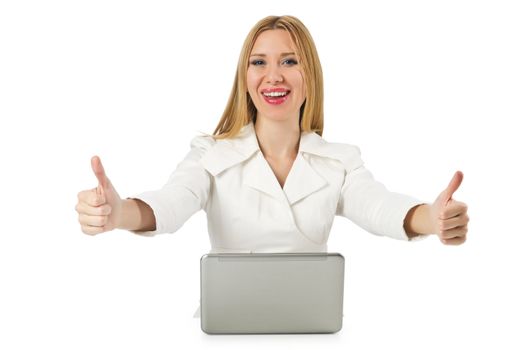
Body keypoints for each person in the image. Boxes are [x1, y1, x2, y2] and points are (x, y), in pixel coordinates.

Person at [75, 15, 469, 251]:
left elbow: (379, 208)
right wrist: (119, 212)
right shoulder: (209, 154)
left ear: (308, 77)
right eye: (259, 62)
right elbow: (171, 204)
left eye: (290, 61)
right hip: (229, 331)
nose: (273, 75)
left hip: (313, 331)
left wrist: (431, 217)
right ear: (245, 79)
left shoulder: (341, 162)